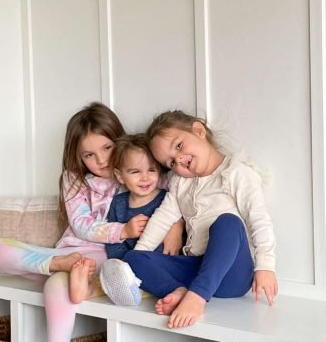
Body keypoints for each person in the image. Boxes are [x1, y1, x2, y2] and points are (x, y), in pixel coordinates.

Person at [0, 103, 180, 342]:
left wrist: (176, 225)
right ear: (78, 157)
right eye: (90, 154)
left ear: (118, 141)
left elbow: (177, 195)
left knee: (57, 287)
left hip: (105, 257)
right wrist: (121, 229)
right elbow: (80, 224)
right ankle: (63, 268)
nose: (101, 160)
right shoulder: (74, 179)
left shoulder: (135, 171)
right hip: (68, 254)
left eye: (107, 148)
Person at [100, 110, 278, 328]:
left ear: (199, 131)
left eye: (178, 146)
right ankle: (179, 292)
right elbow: (163, 218)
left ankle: (196, 298)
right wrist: (142, 253)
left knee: (228, 223)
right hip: (196, 270)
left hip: (232, 275)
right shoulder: (180, 183)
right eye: (171, 163)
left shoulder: (236, 173)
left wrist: (265, 266)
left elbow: (258, 218)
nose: (179, 160)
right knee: (132, 257)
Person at [104, 134, 168, 267]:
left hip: (163, 262)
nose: (145, 178)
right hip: (129, 265)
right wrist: (121, 263)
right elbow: (113, 243)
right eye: (135, 172)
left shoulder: (166, 199)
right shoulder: (118, 203)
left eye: (151, 170)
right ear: (120, 176)